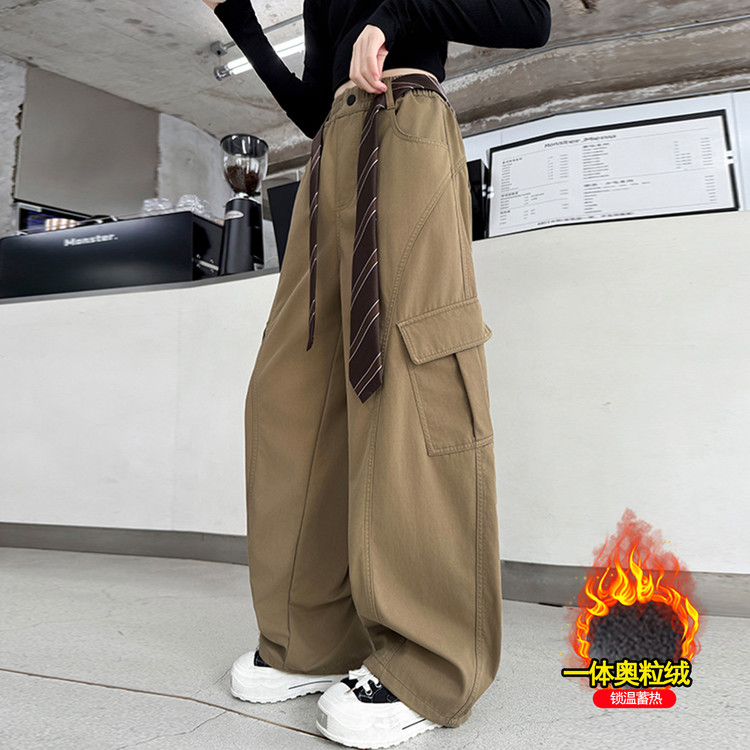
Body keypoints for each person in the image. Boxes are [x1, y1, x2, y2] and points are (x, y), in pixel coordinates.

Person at [202, 1, 551, 747]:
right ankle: (312, 639)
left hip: (407, 119)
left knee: (413, 379)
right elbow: (311, 105)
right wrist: (239, 18)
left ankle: (430, 659)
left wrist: (390, 16)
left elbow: (530, 18)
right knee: (291, 395)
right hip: (332, 146)